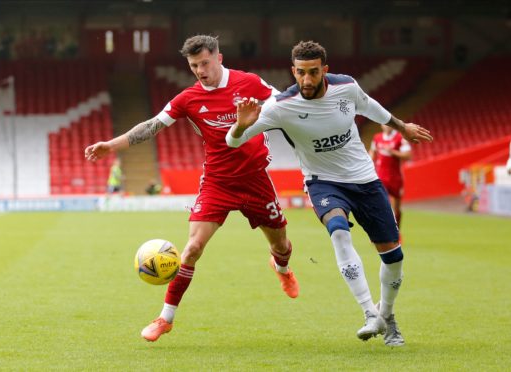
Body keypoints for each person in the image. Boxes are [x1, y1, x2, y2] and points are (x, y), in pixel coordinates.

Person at [85, 35, 299, 342]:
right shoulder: (189, 98)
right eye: (194, 65)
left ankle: (282, 268)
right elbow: (151, 125)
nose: (200, 70)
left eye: (204, 63)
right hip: (217, 182)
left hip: (255, 179)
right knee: (192, 249)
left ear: (219, 58)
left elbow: (285, 103)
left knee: (280, 245)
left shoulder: (249, 82)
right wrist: (112, 145)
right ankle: (165, 318)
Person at [226, 41, 433, 346]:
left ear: (325, 70)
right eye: (300, 73)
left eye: (313, 72)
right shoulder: (281, 106)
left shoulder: (346, 88)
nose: (306, 80)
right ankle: (368, 313)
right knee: (338, 231)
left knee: (393, 256)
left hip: (364, 179)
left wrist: (401, 127)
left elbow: (369, 105)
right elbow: (233, 143)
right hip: (323, 182)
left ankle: (386, 315)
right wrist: (239, 127)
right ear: (293, 71)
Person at [368, 124, 412, 229]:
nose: (387, 126)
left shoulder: (400, 138)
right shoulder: (377, 138)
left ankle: (397, 232)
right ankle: (381, 232)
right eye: (384, 124)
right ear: (381, 125)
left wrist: (392, 152)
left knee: (397, 208)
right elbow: (372, 153)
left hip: (395, 177)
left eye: (388, 124)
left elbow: (408, 155)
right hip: (381, 176)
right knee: (382, 204)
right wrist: (369, 162)